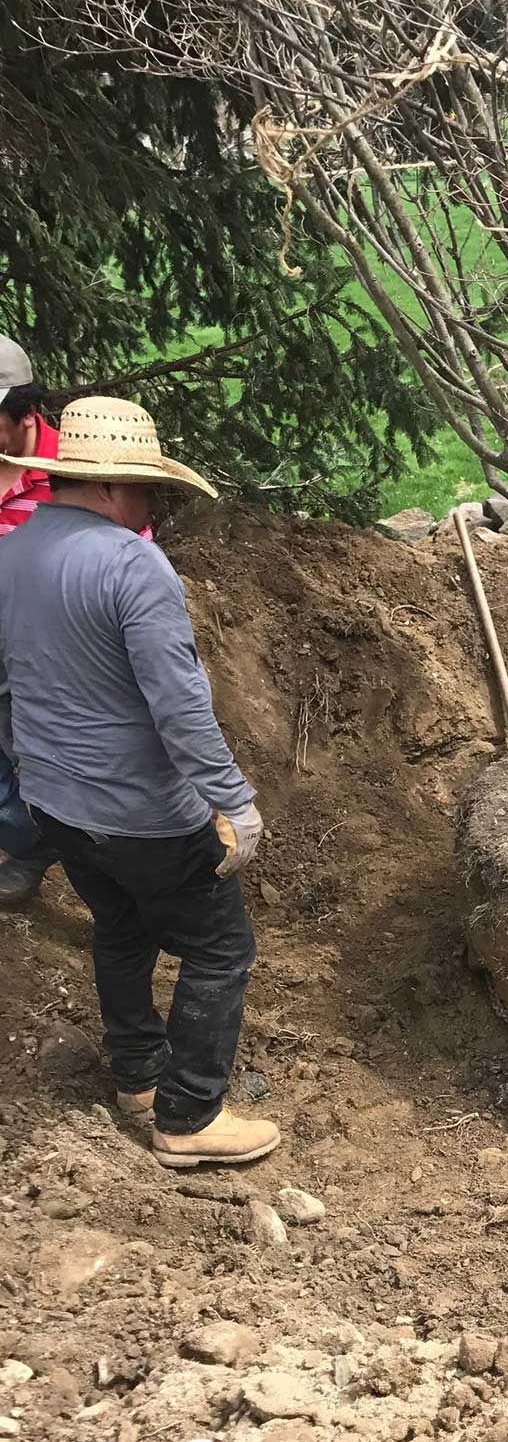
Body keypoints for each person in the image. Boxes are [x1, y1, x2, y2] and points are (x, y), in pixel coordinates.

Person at [0, 395, 280, 1168]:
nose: (152, 504)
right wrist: (232, 798)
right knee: (221, 948)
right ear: (112, 485)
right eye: (148, 488)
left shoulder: (14, 553)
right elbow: (180, 705)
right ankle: (189, 1116)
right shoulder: (133, 564)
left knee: (121, 929)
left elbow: (9, 679)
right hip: (140, 813)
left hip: (54, 801)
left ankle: (138, 1075)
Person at [0, 338, 61, 903]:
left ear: (26, 415)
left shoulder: (69, 470)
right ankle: (25, 841)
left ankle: (42, 850)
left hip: (43, 647)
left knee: (29, 754)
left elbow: (121, 555)